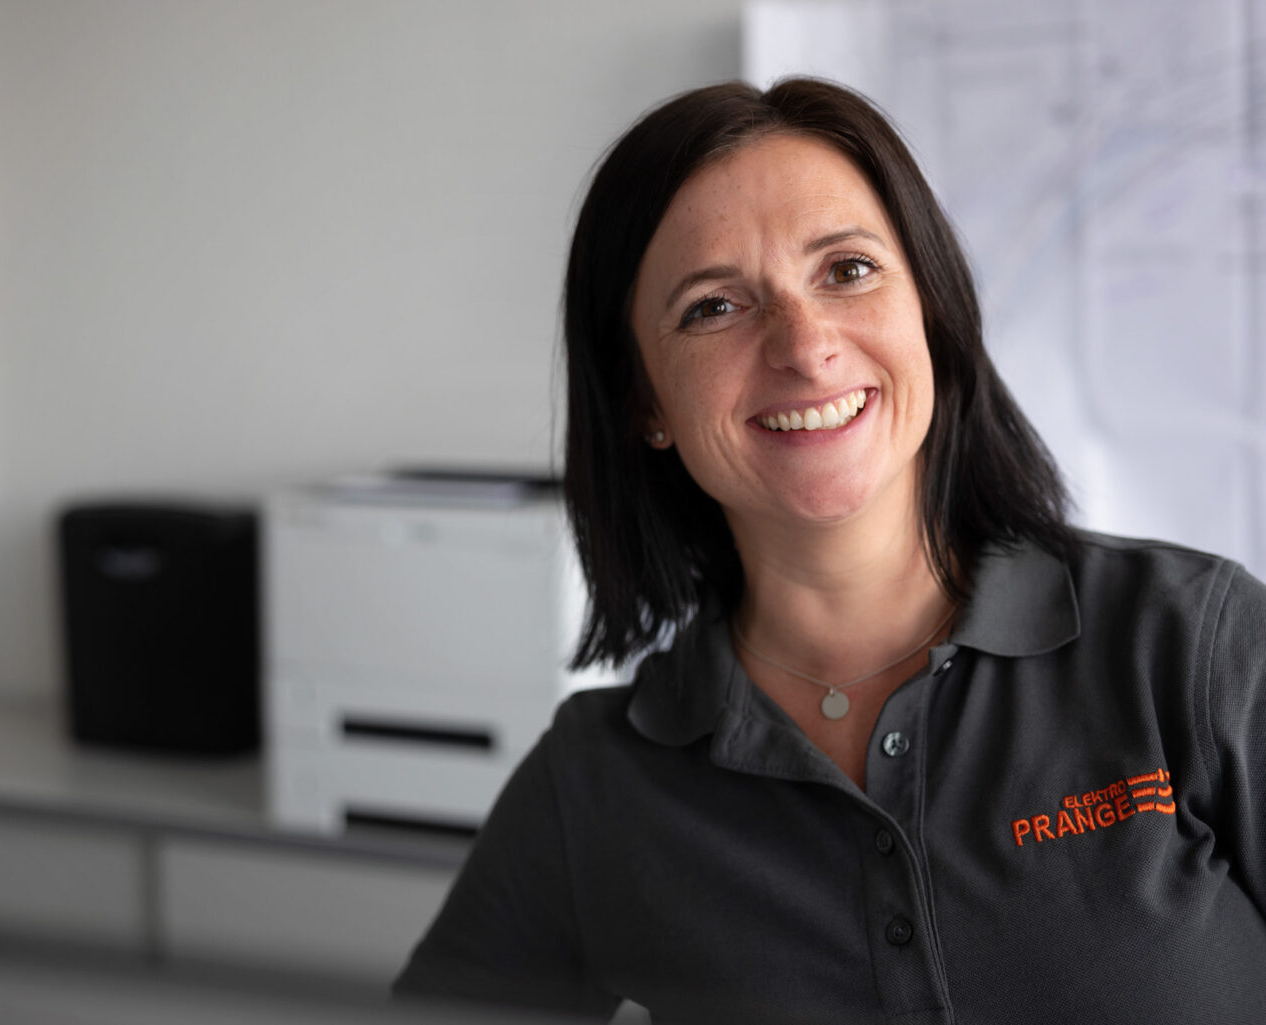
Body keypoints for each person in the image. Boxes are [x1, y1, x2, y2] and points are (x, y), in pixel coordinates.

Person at [393, 79, 1266, 1024]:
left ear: (927, 307)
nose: (805, 347)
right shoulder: (596, 785)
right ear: (645, 401)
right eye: (714, 307)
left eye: (847, 270)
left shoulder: (1193, 647)